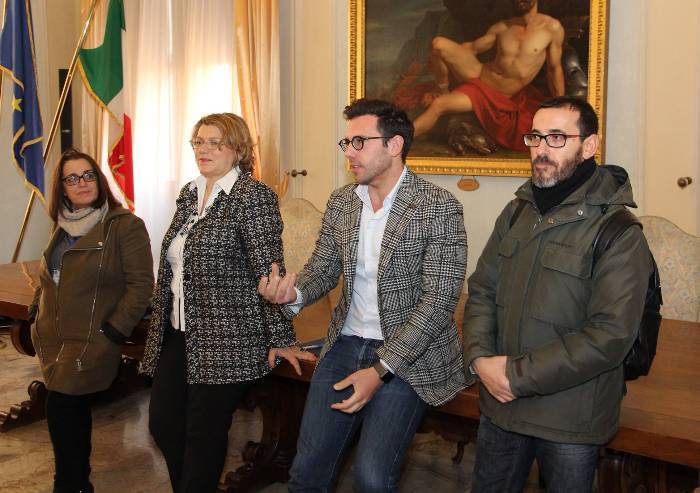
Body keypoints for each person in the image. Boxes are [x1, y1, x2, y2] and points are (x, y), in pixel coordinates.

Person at [258, 99, 467, 491]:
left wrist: (381, 370)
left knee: (372, 478)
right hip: (346, 343)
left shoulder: (437, 206)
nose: (349, 152)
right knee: (306, 472)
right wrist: (292, 293)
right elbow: (322, 269)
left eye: (360, 142)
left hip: (408, 356)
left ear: (394, 145)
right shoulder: (343, 202)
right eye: (347, 142)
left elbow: (438, 303)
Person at [462, 96, 653, 492]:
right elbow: (482, 289)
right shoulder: (517, 211)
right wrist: (480, 358)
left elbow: (610, 335)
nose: (541, 149)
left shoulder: (618, 231)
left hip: (570, 417)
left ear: (589, 146)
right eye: (535, 137)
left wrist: (515, 375)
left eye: (556, 137)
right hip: (501, 404)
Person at [140, 113, 315, 493]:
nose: (203, 149)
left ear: (237, 149)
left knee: (203, 436)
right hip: (178, 332)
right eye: (198, 141)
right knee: (164, 424)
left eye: (214, 142)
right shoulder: (189, 193)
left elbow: (269, 273)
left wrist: (282, 337)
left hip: (228, 338)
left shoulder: (252, 196)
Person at [28, 148, 154, 493]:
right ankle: (78, 482)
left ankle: (68, 485)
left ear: (99, 180)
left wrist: (114, 330)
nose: (81, 183)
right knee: (71, 411)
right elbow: (50, 275)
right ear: (62, 188)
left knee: (62, 407)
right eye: (72, 178)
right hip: (54, 339)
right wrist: (35, 310)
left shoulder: (124, 225)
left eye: (88, 175)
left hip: (92, 339)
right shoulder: (62, 226)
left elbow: (142, 284)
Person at [413, 0, 565, 151]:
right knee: (438, 44)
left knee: (438, 105)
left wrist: (561, 104)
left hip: (499, 93)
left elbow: (554, 69)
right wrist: (443, 60)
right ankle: (441, 90)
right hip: (479, 74)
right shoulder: (503, 27)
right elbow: (471, 48)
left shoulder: (552, 28)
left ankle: (403, 139)